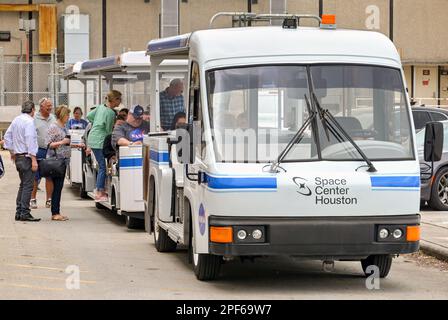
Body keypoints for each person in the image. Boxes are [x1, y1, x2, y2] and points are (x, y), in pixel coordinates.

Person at [3, 101, 41, 222]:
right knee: (28, 185)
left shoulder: (16, 120)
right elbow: (30, 140)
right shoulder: (29, 122)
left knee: (23, 185)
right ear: (33, 110)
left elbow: (7, 137)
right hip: (27, 157)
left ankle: (19, 211)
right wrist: (34, 158)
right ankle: (24, 212)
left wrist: (12, 151)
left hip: (19, 157)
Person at [87, 90, 120, 202]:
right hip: (100, 140)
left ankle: (101, 189)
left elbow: (88, 115)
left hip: (93, 137)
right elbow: (109, 131)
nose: (120, 101)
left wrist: (96, 122)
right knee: (102, 167)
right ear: (114, 100)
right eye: (119, 99)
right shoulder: (111, 113)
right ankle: (99, 192)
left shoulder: (101, 107)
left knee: (101, 165)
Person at [45, 106, 72, 221]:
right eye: (67, 115)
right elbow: (48, 144)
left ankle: (57, 211)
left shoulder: (64, 127)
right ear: (62, 115)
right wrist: (62, 142)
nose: (68, 117)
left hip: (63, 160)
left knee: (59, 187)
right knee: (57, 186)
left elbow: (65, 143)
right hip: (56, 161)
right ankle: (55, 213)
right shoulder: (53, 127)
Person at [31, 97, 56, 210]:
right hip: (38, 150)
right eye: (48, 106)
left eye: (51, 106)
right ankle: (33, 199)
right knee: (35, 176)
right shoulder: (34, 119)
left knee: (49, 176)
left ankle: (49, 200)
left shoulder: (53, 118)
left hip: (50, 150)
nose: (50, 108)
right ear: (41, 107)